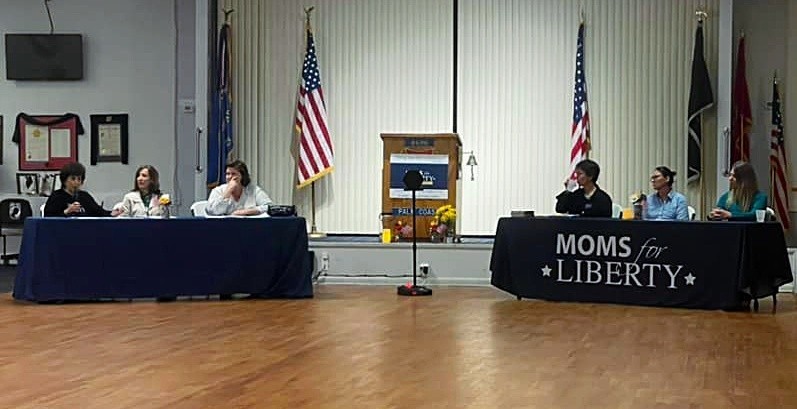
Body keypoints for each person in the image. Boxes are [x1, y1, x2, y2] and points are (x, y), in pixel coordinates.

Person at [43, 162, 112, 217]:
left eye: (79, 179)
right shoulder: (56, 196)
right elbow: (48, 218)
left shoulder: (84, 196)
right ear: (64, 180)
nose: (76, 182)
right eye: (73, 179)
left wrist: (112, 213)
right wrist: (67, 211)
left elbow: (99, 212)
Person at [206, 160, 273, 216]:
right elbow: (212, 211)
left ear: (242, 176)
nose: (230, 177)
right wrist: (228, 191)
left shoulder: (254, 190)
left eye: (233, 174)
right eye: (227, 174)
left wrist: (247, 211)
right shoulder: (217, 191)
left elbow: (270, 207)